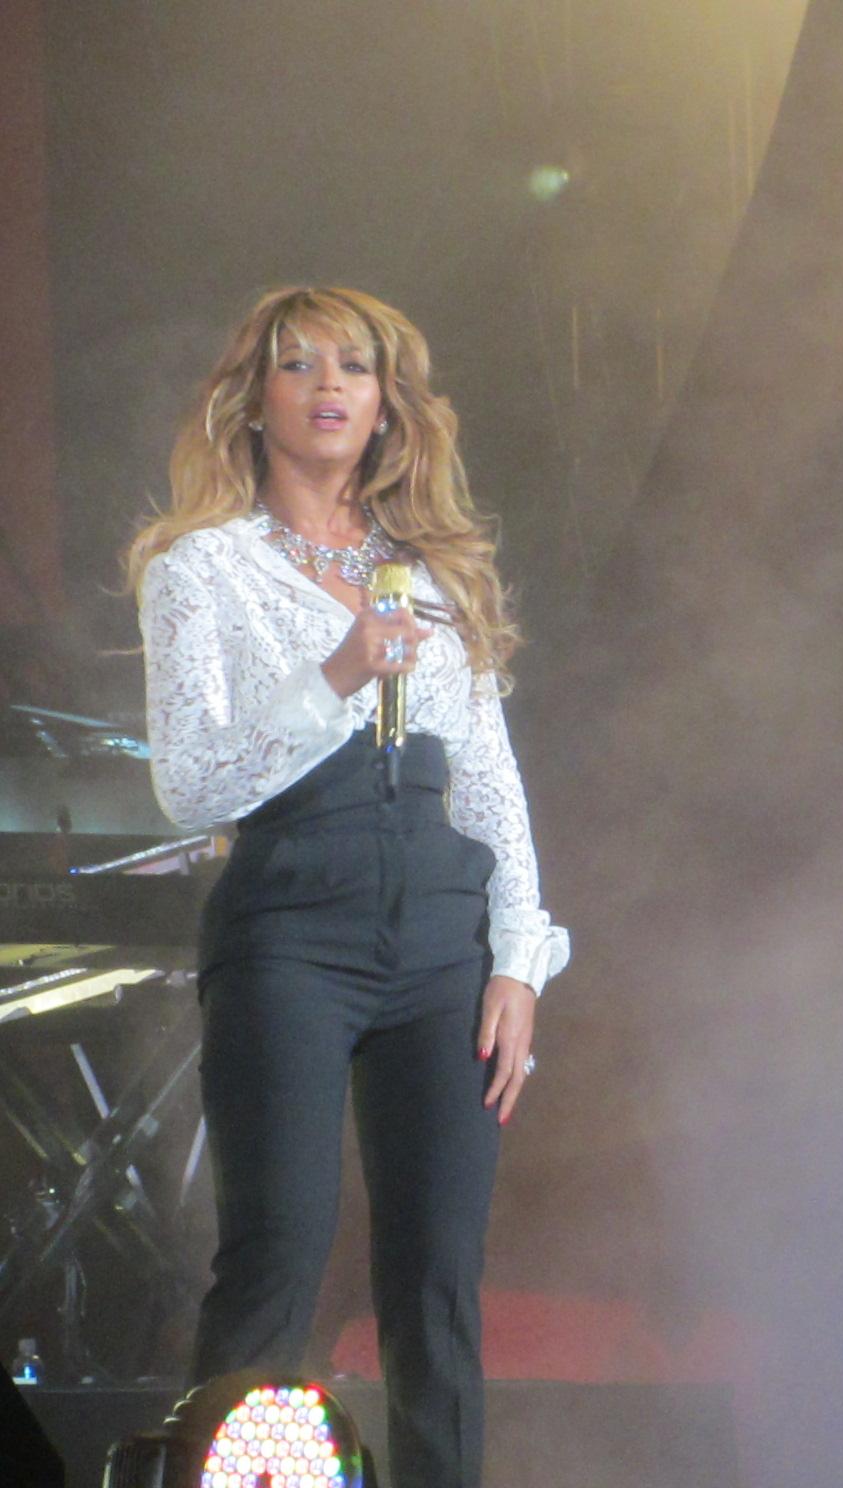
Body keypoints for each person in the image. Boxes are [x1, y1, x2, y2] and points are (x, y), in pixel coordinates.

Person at [126, 286, 570, 1488]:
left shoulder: (430, 577)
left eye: (357, 368)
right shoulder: (198, 569)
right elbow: (194, 783)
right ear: (255, 399)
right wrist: (335, 672)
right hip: (290, 921)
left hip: (441, 935)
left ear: (386, 408)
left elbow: (489, 787)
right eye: (299, 364)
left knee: (436, 1273)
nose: (329, 385)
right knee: (277, 1252)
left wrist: (518, 961)